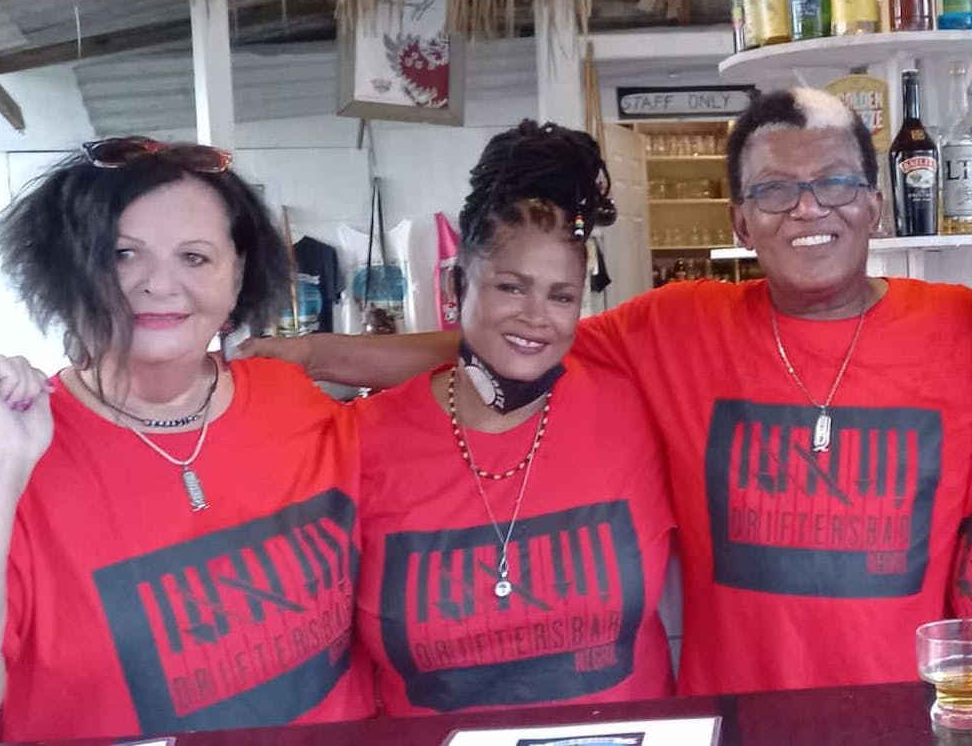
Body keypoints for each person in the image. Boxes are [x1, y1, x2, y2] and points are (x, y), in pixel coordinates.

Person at [244, 89, 972, 696]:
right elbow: (507, 344)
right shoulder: (679, 326)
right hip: (734, 722)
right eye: (775, 189)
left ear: (876, 205)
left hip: (910, 719)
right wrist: (311, 354)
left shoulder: (956, 330)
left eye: (836, 183)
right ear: (740, 221)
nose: (808, 208)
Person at [0, 138, 374, 741]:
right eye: (123, 254)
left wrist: (323, 351)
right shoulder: (17, 447)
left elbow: (483, 366)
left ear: (237, 277)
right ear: (69, 270)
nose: (159, 284)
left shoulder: (295, 402)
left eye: (194, 257)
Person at [352, 121, 675, 714]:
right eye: (510, 287)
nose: (536, 316)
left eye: (561, 296)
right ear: (458, 286)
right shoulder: (360, 442)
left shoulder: (636, 408)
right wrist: (306, 354)